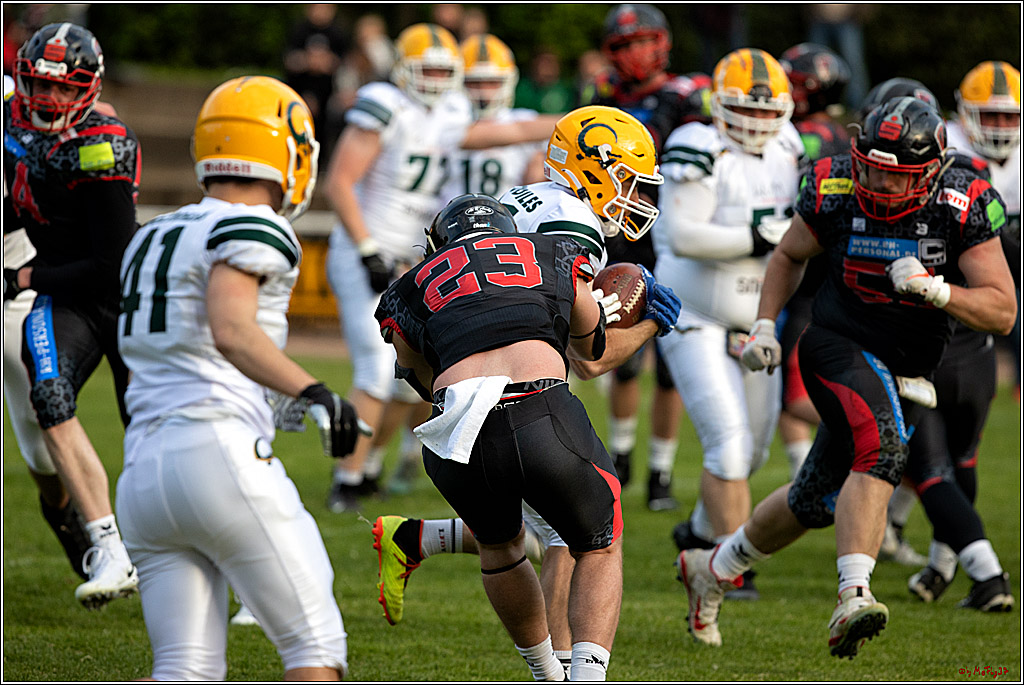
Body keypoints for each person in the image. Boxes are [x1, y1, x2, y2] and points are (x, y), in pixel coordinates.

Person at [679, 96, 1016, 659]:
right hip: (836, 343)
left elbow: (1002, 309)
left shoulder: (964, 201)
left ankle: (712, 568)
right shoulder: (833, 183)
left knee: (814, 499)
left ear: (932, 171)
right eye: (872, 166)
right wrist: (765, 324)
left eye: (896, 173)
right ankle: (852, 596)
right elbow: (789, 255)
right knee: (882, 450)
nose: (880, 181)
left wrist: (939, 290)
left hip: (906, 365)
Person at [371, 107, 678, 675]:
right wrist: (649, 323)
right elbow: (589, 358)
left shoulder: (519, 199)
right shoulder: (570, 227)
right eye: (629, 180)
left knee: (511, 538)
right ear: (595, 170)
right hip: (535, 398)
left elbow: (413, 360)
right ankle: (567, 667)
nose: (635, 197)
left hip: (453, 416)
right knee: (576, 534)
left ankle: (420, 541)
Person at [114, 75, 361, 681]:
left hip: (142, 472)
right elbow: (230, 329)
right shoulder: (256, 223)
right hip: (218, 455)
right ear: (289, 150)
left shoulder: (153, 235)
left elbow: (182, 345)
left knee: (184, 666)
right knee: (316, 650)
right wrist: (314, 389)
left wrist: (275, 398)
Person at [322, 22, 559, 514]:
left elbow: (511, 131)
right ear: (404, 69)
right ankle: (345, 480)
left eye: (442, 71)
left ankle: (366, 470)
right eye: (425, 69)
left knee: (409, 374)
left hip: (414, 256)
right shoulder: (386, 104)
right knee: (372, 368)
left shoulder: (451, 113)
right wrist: (366, 247)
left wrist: (576, 121)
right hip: (366, 248)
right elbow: (340, 182)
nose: (432, 79)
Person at [655, 47, 804, 600]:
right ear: (720, 104)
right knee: (729, 443)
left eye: (770, 111)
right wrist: (759, 237)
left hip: (757, 318)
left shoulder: (790, 146)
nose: (760, 120)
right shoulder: (698, 144)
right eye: (749, 108)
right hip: (692, 312)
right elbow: (683, 235)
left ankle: (696, 532)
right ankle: (727, 565)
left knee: (756, 449)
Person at [4, 22, 141, 609]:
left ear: (90, 88)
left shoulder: (103, 142)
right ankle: (106, 545)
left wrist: (26, 278)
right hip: (63, 302)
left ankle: (227, 564)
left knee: (157, 431)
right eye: (42, 86)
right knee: (49, 396)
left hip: (120, 298)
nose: (53, 100)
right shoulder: (14, 121)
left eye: (68, 89)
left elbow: (111, 266)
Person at [901, 61, 1020, 611]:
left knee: (931, 466)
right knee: (955, 461)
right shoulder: (967, 170)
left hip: (941, 333)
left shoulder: (950, 177)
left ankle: (984, 573)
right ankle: (945, 564)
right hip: (976, 336)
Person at [586, 3, 713, 510]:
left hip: (669, 230)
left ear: (661, 44)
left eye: (643, 41)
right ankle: (620, 457)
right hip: (618, 232)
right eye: (625, 44)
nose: (636, 54)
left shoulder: (686, 94)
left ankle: (660, 470)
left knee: (668, 361)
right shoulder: (602, 94)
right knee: (618, 352)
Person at [283, 3, 349, 159]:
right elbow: (288, 60)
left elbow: (345, 64)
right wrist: (307, 61)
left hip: (329, 93)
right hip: (299, 90)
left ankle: (324, 163)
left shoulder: (338, 34)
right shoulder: (298, 30)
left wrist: (327, 63)